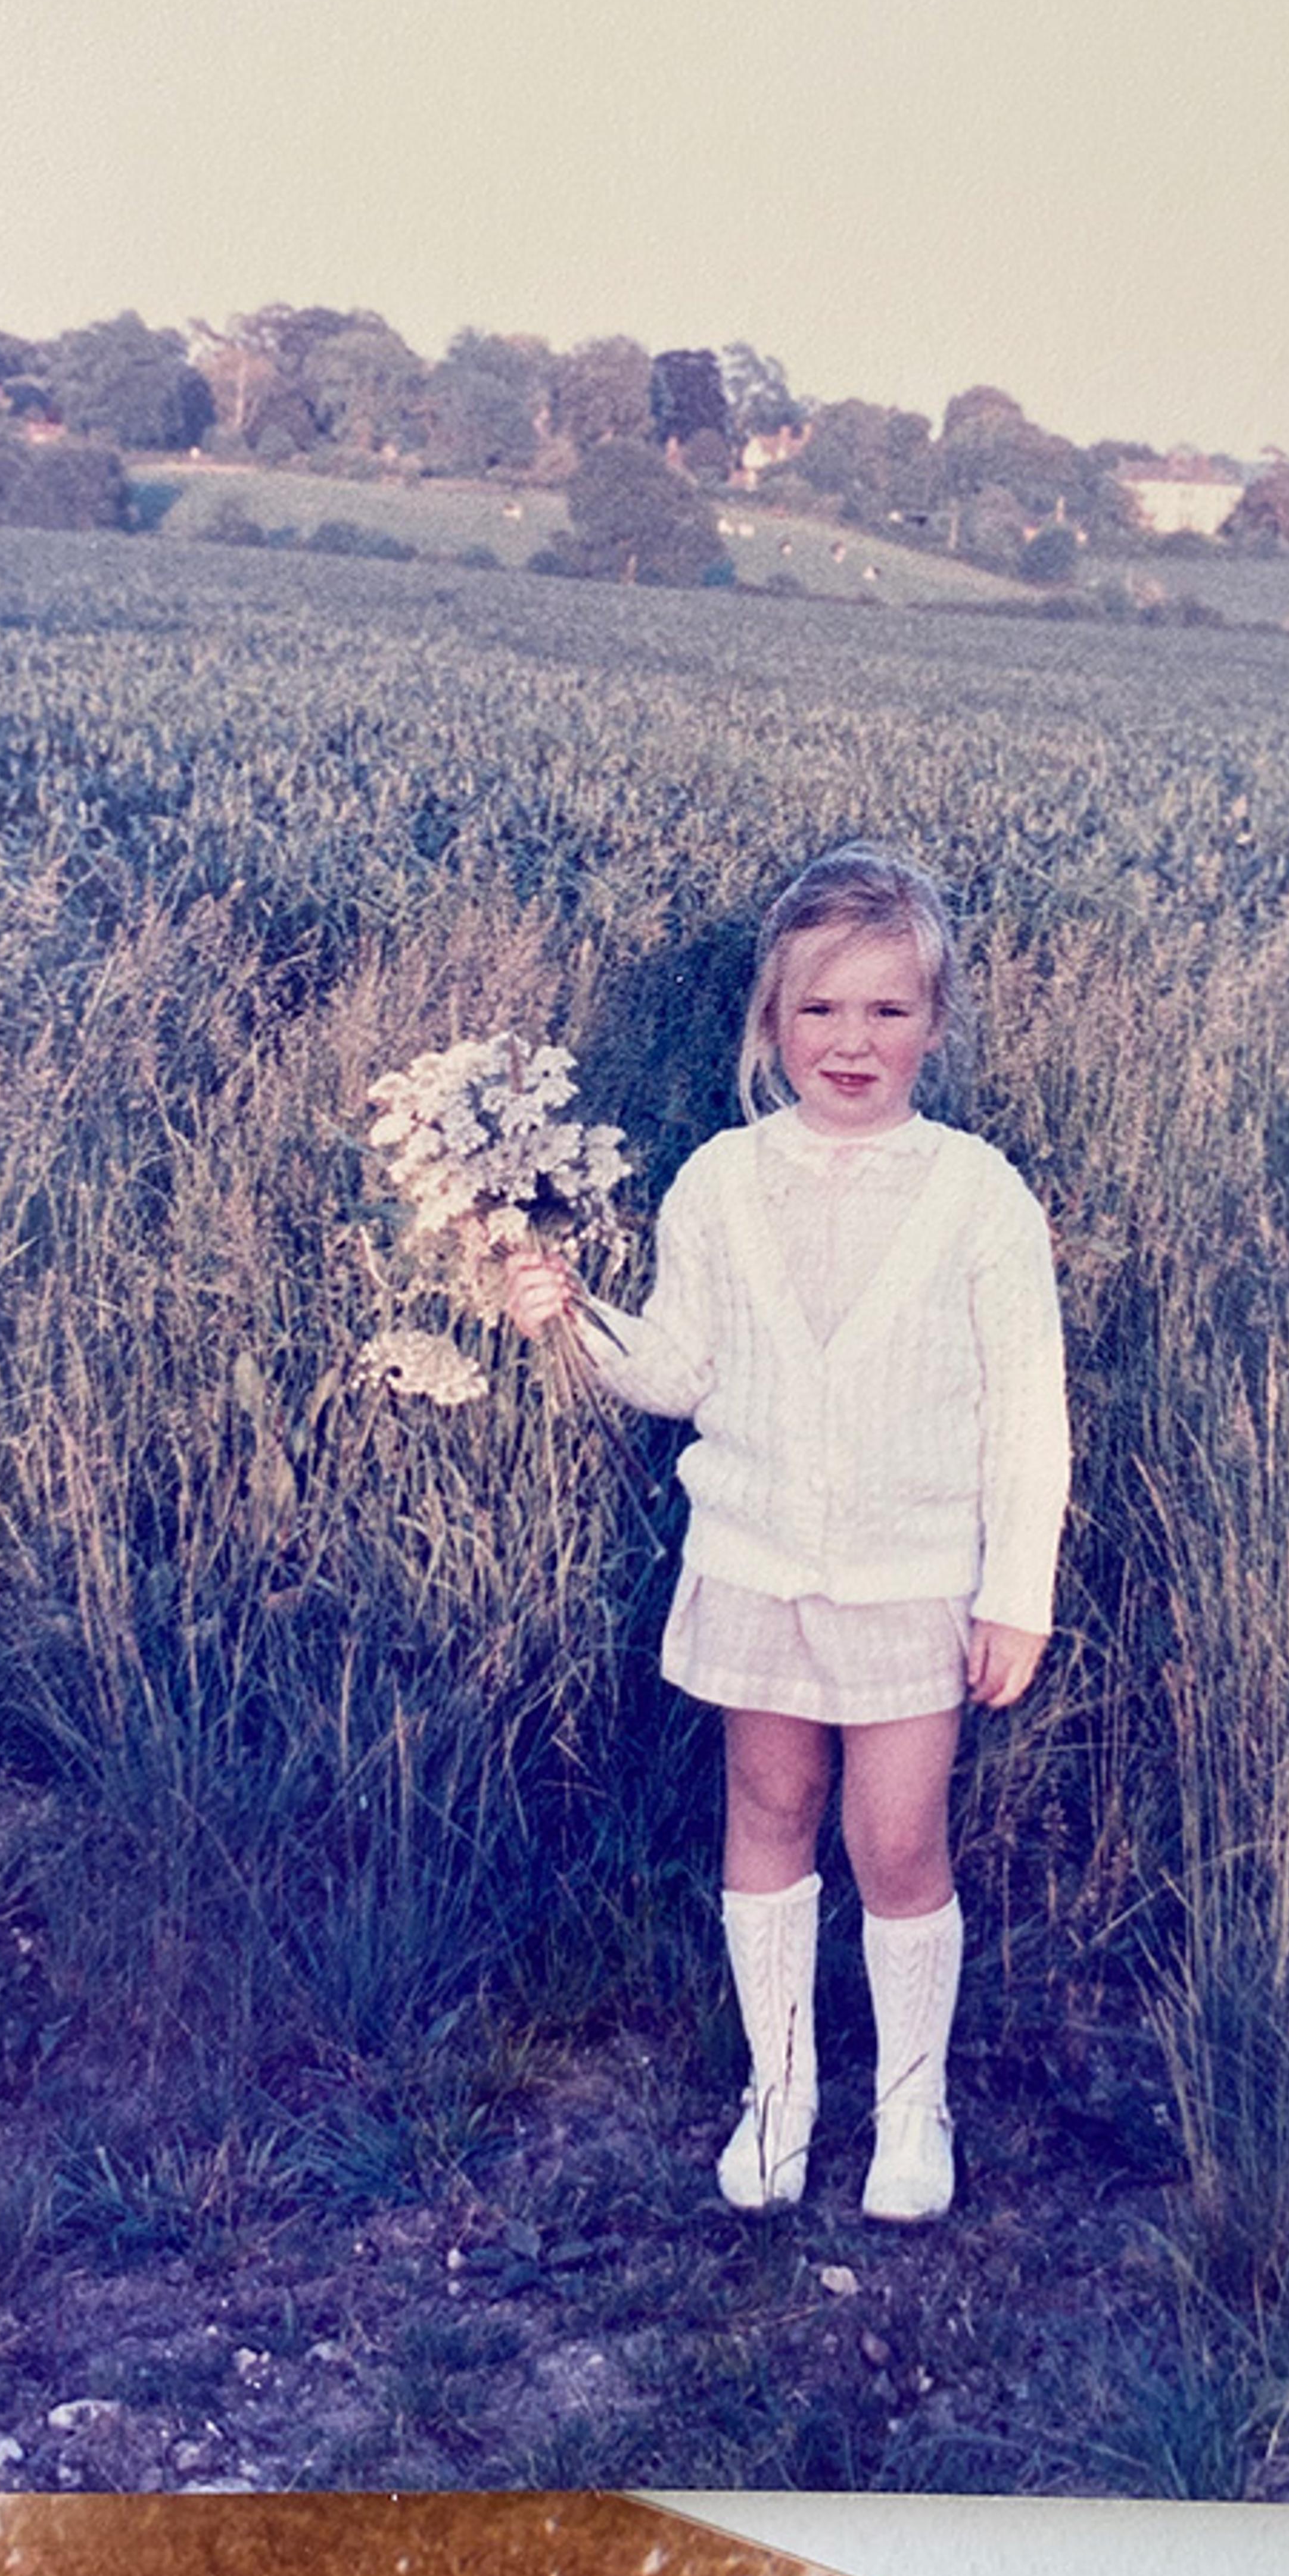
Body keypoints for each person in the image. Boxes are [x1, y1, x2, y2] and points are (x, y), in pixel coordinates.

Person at [501, 843, 1069, 2225]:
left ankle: (911, 2106)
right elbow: (683, 1369)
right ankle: (781, 2092)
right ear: (772, 1024)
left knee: (896, 1834)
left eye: (886, 1010)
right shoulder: (720, 1181)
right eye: (820, 1010)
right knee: (766, 1811)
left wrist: (1018, 1593)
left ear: (933, 1023)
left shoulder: (976, 1193)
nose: (853, 1041)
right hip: (757, 1564)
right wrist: (571, 1317)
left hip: (910, 1578)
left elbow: (1026, 1412)